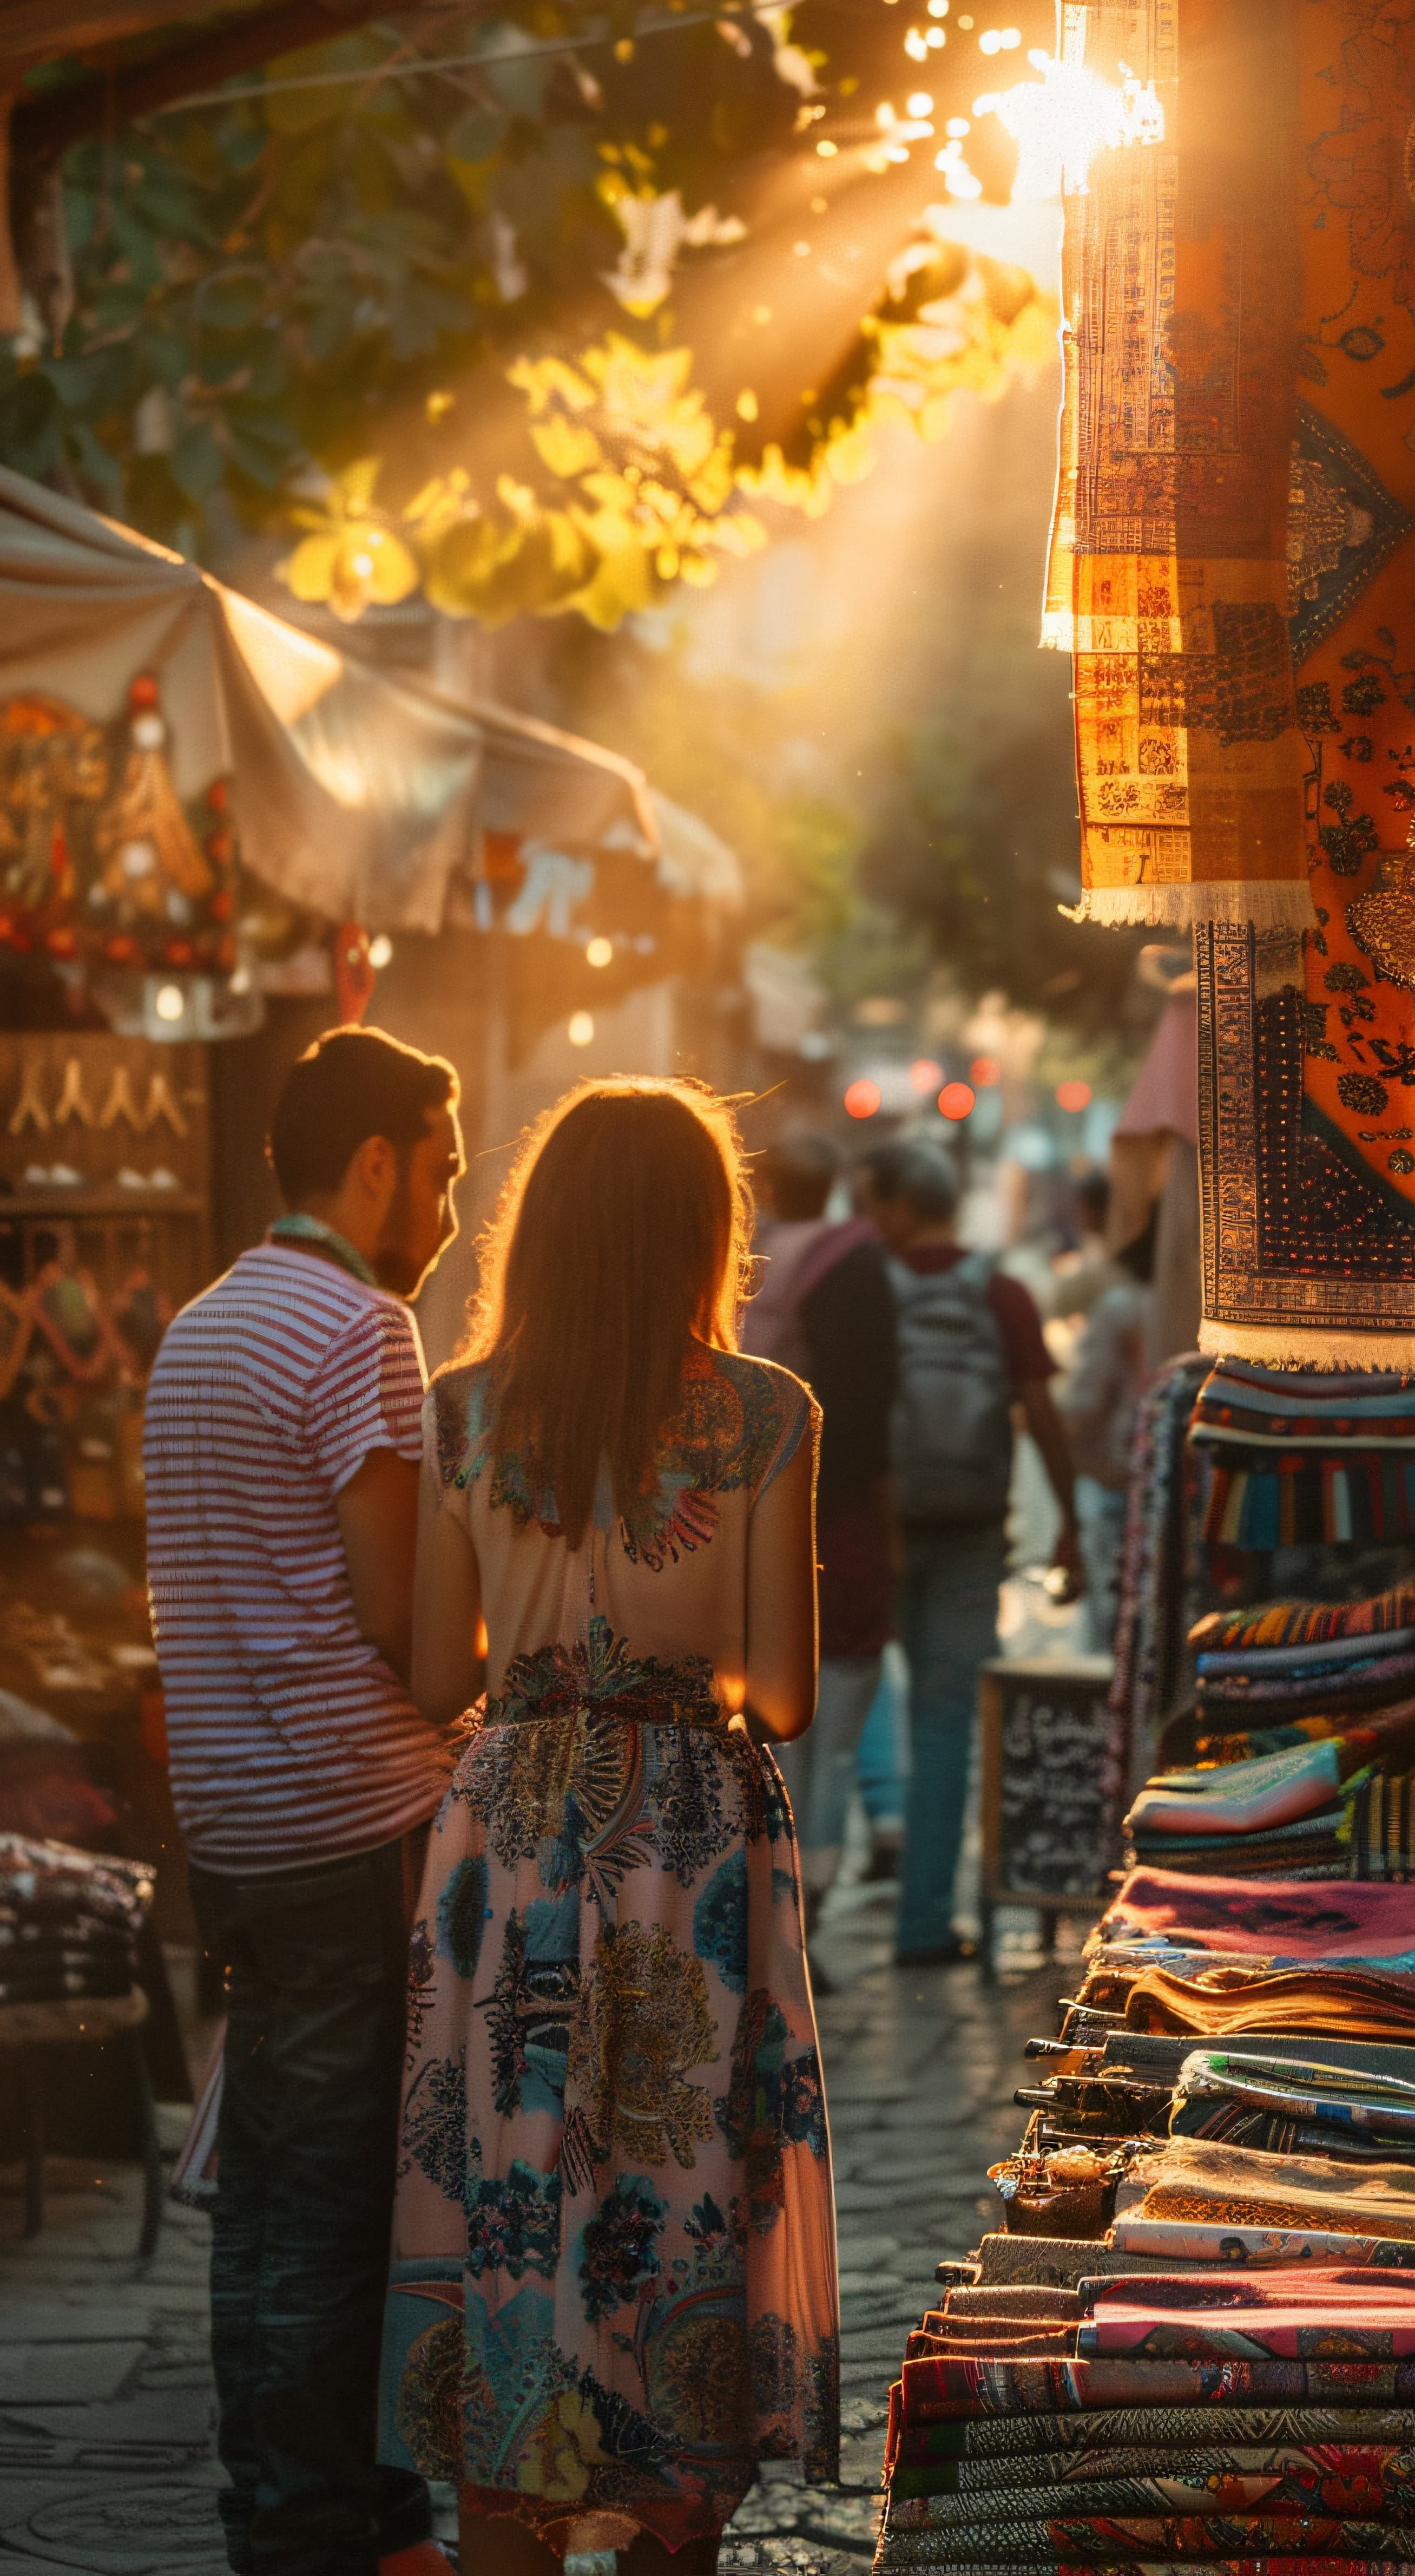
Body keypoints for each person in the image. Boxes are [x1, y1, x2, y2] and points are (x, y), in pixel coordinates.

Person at [385, 1077, 834, 2576]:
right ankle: (662, 2514)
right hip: (688, 1842)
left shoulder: (460, 1410)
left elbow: (439, 1673)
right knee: (679, 2184)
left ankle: (510, 2514)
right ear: (708, 1232)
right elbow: (781, 1693)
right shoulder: (768, 1416)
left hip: (509, 1833)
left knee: (509, 2179)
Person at [143, 1024, 465, 2576]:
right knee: (341, 2212)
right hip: (351, 1824)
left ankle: (306, 2511)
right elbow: (406, 1632)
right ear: (381, 1163)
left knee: (271, 2191)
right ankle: (318, 2533)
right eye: (448, 1170)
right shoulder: (360, 1330)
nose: (455, 1211)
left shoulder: (199, 1329)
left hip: (233, 1830)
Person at [863, 1139, 1083, 1965]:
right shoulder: (1001, 1292)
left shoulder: (870, 1291)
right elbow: (1041, 1412)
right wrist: (1069, 1520)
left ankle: (802, 1921)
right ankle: (924, 1923)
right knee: (947, 1723)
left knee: (843, 1712)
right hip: (971, 1529)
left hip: (881, 1527)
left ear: (898, 1208)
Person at [743, 1128, 898, 1911]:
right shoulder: (852, 1263)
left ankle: (772, 1888)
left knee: (770, 1731)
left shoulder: (749, 1260)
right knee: (828, 1728)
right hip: (830, 1516)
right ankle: (809, 1893)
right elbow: (869, 1410)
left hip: (744, 1509)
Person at [1061, 1202, 1157, 1653]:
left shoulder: (1123, 1306)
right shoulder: (1208, 1306)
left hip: (1119, 1481)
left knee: (1112, 1625)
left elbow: (1085, 1405)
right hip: (1184, 1485)